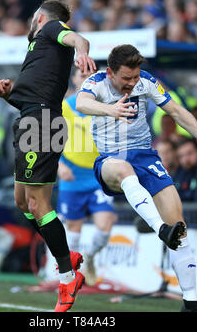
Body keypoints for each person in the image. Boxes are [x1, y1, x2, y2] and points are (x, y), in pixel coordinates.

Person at [76, 44, 197, 312]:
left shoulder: (146, 82)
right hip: (111, 158)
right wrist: (111, 110)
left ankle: (191, 302)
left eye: (135, 77)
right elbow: (82, 103)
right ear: (110, 73)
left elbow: (175, 111)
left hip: (145, 158)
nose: (132, 83)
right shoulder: (96, 83)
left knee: (179, 226)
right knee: (122, 170)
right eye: (126, 78)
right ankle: (159, 228)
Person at [0, 0, 96, 312]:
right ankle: (67, 255)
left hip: (42, 124)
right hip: (30, 120)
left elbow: (77, 38)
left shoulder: (50, 29)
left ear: (39, 17)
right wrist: (10, 94)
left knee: (38, 203)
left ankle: (67, 277)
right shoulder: (39, 50)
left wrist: (83, 51)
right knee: (23, 202)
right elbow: (33, 97)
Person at [58, 67, 117, 286]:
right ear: (73, 78)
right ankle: (71, 276)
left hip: (98, 174)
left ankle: (90, 256)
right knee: (73, 228)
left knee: (105, 224)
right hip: (71, 174)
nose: (86, 80)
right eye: (82, 75)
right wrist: (59, 166)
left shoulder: (104, 105)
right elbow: (49, 140)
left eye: (90, 76)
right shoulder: (64, 106)